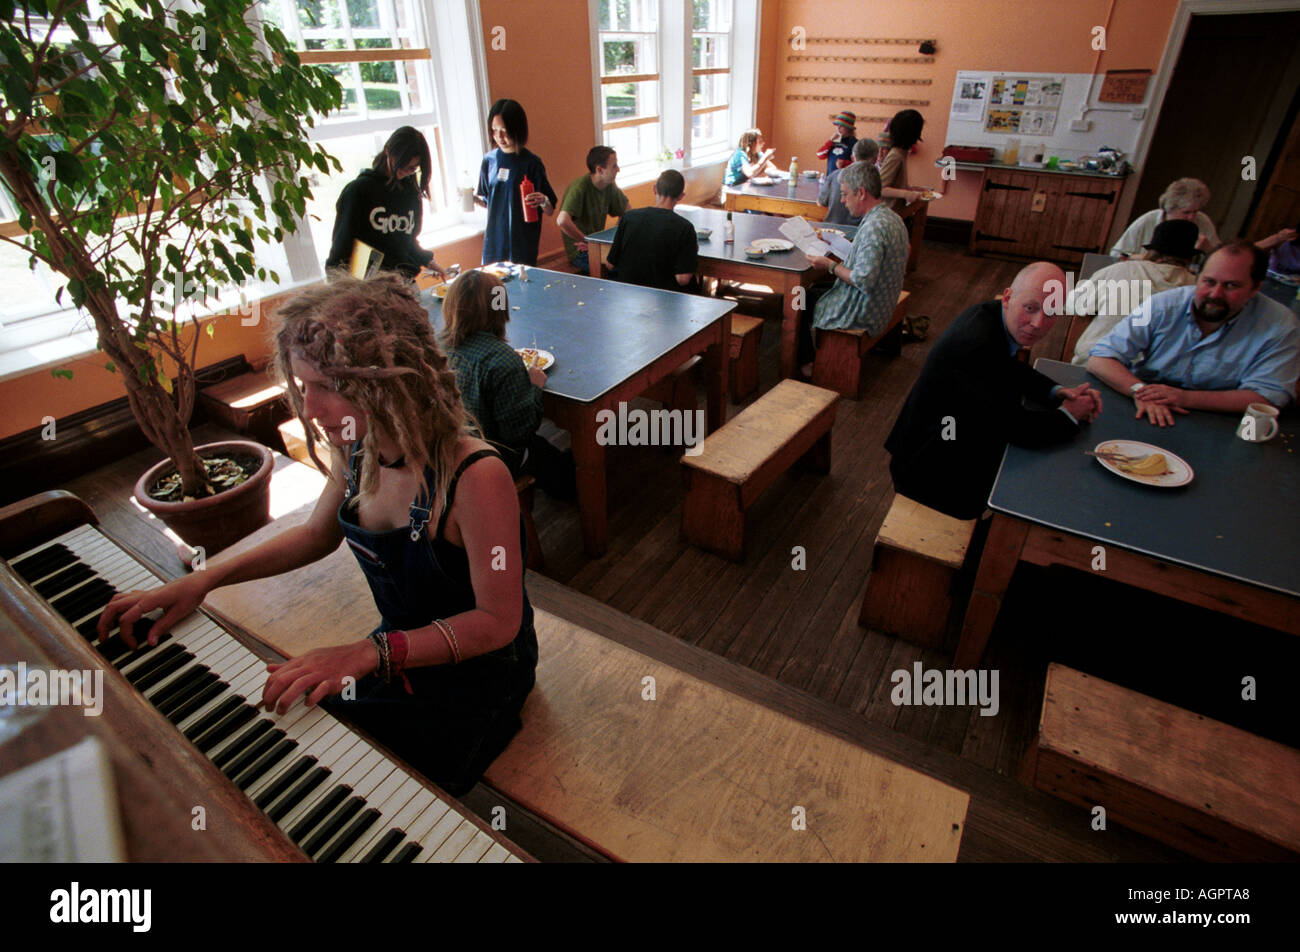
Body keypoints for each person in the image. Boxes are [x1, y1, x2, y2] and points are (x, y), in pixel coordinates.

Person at [98, 274, 538, 797]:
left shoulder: (475, 476)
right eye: (304, 386)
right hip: (392, 649)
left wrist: (371, 652)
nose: (309, 410)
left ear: (389, 380)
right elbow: (314, 535)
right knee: (292, 732)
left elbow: (497, 623)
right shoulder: (359, 447)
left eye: (327, 386)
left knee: (381, 786)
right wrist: (205, 580)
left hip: (478, 674)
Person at [885, 262, 1103, 520]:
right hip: (931, 469)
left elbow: (1008, 368)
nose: (1038, 323)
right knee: (1035, 499)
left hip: (947, 437)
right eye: (1030, 308)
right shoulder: (975, 346)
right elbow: (1017, 428)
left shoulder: (990, 315)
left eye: (1051, 312)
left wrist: (1057, 391)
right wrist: (1070, 414)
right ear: (1009, 297)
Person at [1087, 240, 1300, 426]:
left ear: (1255, 288)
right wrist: (1139, 391)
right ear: (1197, 276)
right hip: (1146, 407)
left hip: (1221, 422)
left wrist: (1184, 398)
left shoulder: (1280, 326)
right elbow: (1100, 358)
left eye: (1231, 286)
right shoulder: (1164, 306)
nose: (1215, 294)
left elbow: (1267, 398)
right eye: (1209, 282)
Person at [441, 269, 575, 499]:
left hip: (448, 453)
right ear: (500, 309)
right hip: (493, 459)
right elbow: (519, 432)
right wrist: (534, 386)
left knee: (544, 449)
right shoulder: (502, 361)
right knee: (542, 453)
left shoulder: (438, 348)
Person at [802, 162, 910, 373]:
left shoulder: (873, 227)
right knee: (812, 293)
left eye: (845, 194)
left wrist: (830, 265)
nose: (842, 200)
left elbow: (862, 280)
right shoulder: (892, 218)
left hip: (864, 309)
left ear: (861, 193)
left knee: (799, 300)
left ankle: (808, 364)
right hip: (883, 300)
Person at [1069, 219, 1199, 365]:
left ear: (1152, 250)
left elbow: (1076, 308)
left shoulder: (1119, 271)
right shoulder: (1196, 289)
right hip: (1148, 379)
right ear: (1190, 256)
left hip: (1092, 363)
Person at [325, 127, 446, 280]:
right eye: (401, 164)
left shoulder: (410, 191)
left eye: (412, 169)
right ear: (388, 151)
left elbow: (407, 241)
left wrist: (428, 261)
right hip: (370, 285)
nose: (405, 172)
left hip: (403, 282)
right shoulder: (358, 191)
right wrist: (338, 288)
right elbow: (341, 248)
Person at [476, 99, 557, 266]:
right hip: (495, 241)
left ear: (517, 130)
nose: (499, 137)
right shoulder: (489, 161)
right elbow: (489, 202)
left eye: (504, 131)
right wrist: (471, 199)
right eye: (494, 130)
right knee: (495, 289)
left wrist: (543, 200)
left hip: (522, 243)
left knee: (521, 287)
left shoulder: (531, 163)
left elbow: (549, 209)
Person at [606, 170, 698, 292]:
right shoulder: (685, 228)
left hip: (627, 293)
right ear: (681, 196)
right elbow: (683, 279)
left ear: (654, 189)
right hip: (665, 298)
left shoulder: (629, 217)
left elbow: (610, 264)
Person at [556, 146, 629, 274]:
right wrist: (586, 241)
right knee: (616, 271)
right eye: (614, 166)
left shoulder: (609, 186)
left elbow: (628, 212)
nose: (618, 169)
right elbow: (562, 221)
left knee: (631, 263)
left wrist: (615, 239)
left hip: (598, 246)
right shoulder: (579, 187)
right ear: (600, 170)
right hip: (580, 251)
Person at [876, 108, 927, 214]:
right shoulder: (896, 156)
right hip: (887, 215)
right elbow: (880, 188)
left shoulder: (901, 153)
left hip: (894, 213)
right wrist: (906, 194)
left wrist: (911, 189)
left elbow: (894, 184)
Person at [815, 110, 858, 178]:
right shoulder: (833, 141)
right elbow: (820, 155)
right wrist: (830, 141)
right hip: (830, 178)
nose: (838, 128)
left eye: (841, 126)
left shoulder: (854, 143)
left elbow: (857, 165)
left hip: (844, 181)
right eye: (837, 125)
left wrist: (845, 164)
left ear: (849, 128)